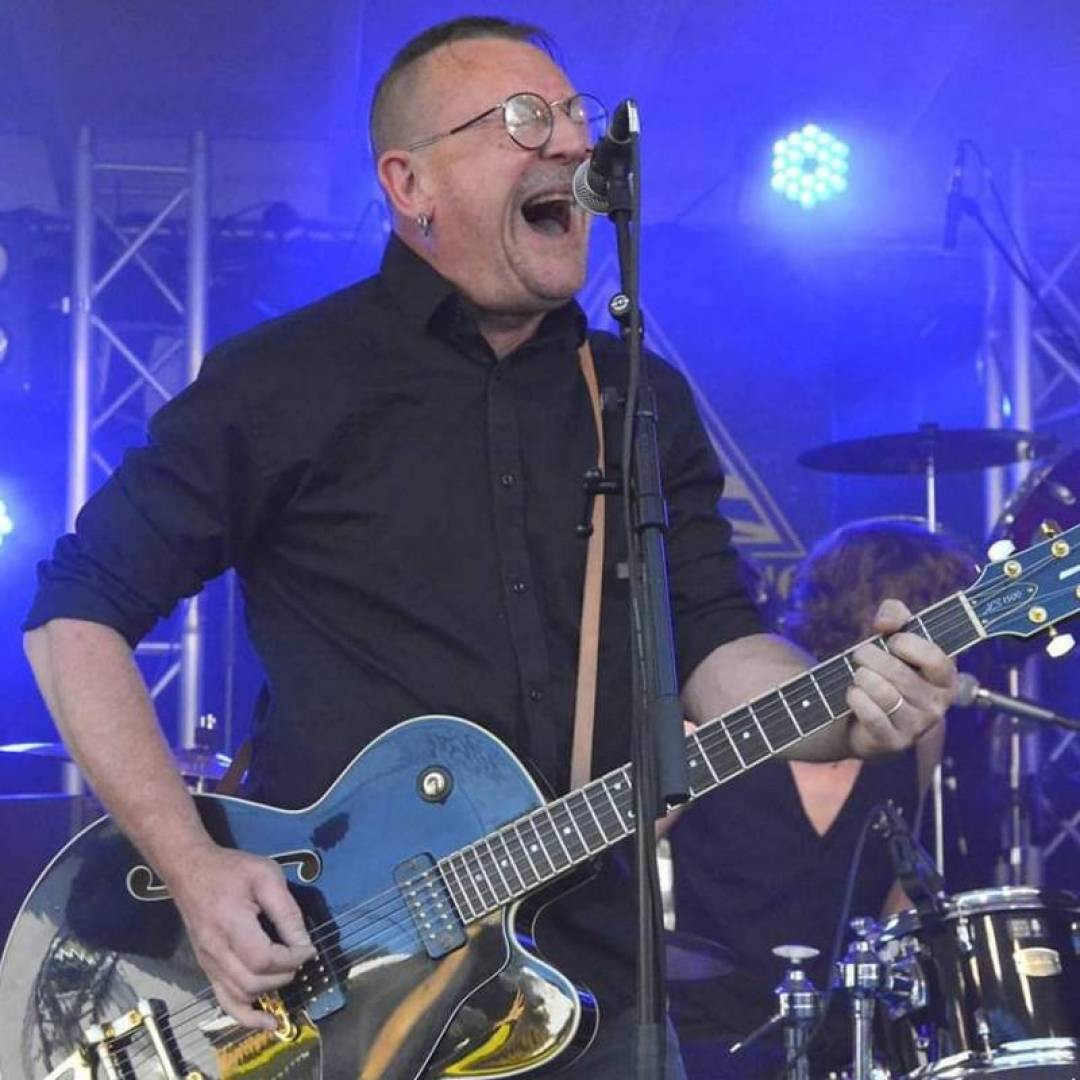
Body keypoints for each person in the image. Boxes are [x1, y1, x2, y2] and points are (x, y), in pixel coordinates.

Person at [21, 17, 956, 1078]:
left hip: (592, 990)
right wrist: (191, 866)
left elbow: (714, 639)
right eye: (521, 118)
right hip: (330, 988)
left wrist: (845, 713)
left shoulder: (637, 397)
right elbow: (74, 616)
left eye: (573, 116)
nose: (572, 143)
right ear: (409, 182)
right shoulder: (284, 381)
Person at [669, 519, 978, 1078]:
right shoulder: (727, 715)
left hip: (848, 1039)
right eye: (935, 617)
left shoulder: (923, 733)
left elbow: (898, 874)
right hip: (711, 1037)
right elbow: (625, 853)